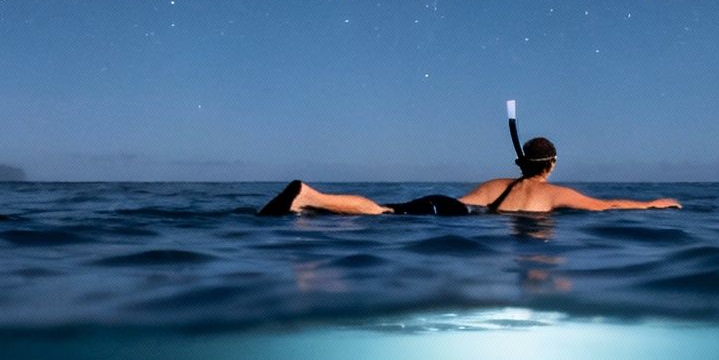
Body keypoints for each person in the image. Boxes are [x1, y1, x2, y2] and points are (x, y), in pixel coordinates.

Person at [256, 137, 680, 215]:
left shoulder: (499, 184)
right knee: (381, 214)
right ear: (551, 165)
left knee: (385, 211)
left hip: (447, 205)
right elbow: (608, 206)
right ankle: (309, 198)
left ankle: (311, 201)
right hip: (450, 217)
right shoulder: (553, 195)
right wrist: (652, 204)